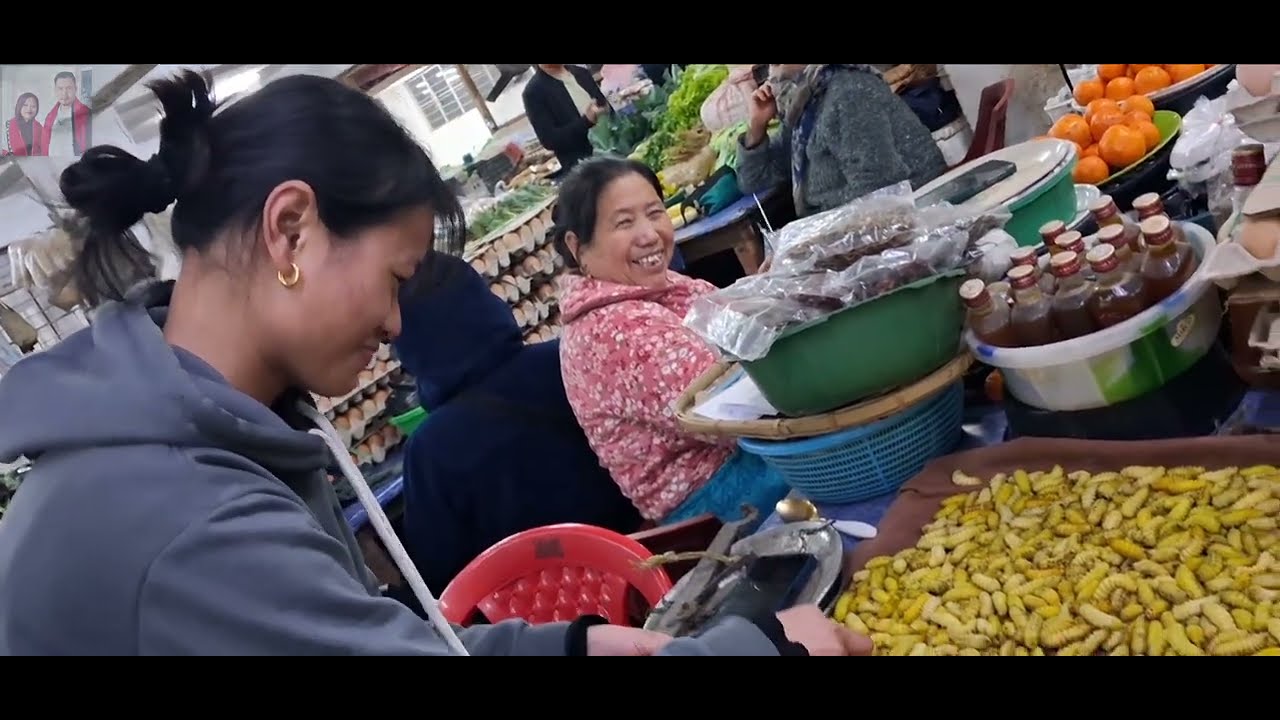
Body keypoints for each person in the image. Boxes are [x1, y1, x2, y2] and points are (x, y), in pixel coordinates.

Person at [0, 69, 866, 657]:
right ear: (290, 229)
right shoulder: (182, 520)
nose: (391, 322)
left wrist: (564, 645)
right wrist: (772, 645)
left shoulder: (210, 442)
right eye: (395, 278)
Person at [555, 157, 792, 526]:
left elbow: (732, 322)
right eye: (624, 223)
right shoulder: (613, 329)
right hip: (722, 497)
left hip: (751, 454)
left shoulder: (655, 287)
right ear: (578, 247)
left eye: (654, 213)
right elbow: (735, 411)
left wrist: (767, 293)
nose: (649, 234)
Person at [393, 252, 643, 593]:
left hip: (548, 614)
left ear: (410, 346)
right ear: (486, 303)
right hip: (647, 561)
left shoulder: (431, 450)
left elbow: (440, 577)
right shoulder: (573, 355)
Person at [737, 64, 947, 218]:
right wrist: (757, 125)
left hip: (917, 218)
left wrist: (809, 241)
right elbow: (753, 181)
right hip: (860, 225)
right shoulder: (803, 103)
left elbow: (878, 191)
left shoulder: (849, 92)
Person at [522, 64, 611, 173]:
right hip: (585, 166)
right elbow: (549, 140)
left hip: (613, 149)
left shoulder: (581, 73)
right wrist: (586, 122)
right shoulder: (534, 92)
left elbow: (604, 105)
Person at [43, 70, 92, 157]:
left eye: (69, 88)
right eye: (60, 89)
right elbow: (44, 145)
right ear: (55, 90)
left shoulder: (86, 114)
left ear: (75, 89)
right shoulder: (50, 117)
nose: (64, 93)